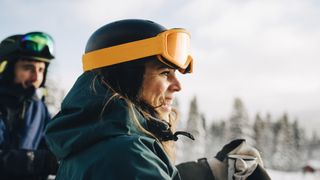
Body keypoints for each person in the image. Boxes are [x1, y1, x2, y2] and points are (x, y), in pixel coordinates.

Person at [45, 19, 270, 179]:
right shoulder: (125, 154)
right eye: (164, 73)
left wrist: (211, 171)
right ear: (125, 78)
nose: (178, 85)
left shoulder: (96, 138)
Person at [0, 32, 58, 180]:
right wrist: (40, 161)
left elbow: (51, 145)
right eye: (28, 68)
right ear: (5, 68)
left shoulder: (40, 109)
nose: (36, 77)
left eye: (41, 70)